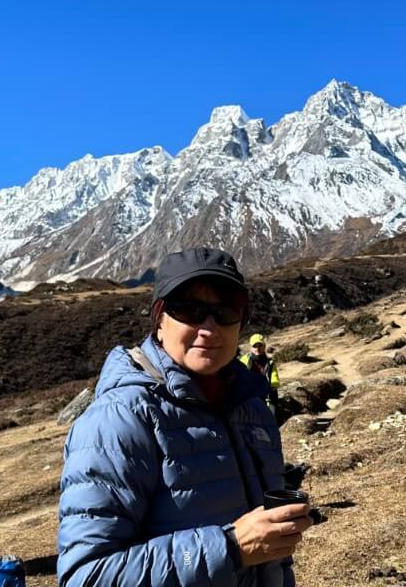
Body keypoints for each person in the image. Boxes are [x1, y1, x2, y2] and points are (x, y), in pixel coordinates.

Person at [58, 247, 312, 587]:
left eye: (225, 312)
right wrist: (231, 547)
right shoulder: (120, 419)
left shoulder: (252, 409)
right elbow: (86, 576)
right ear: (160, 320)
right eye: (189, 310)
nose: (209, 328)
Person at [240, 334, 280, 413]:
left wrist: (272, 386)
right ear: (251, 348)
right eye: (255, 346)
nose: (257, 348)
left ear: (264, 346)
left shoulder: (270, 363)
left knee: (270, 414)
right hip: (249, 394)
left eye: (260, 345)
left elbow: (274, 378)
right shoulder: (244, 360)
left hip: (266, 395)